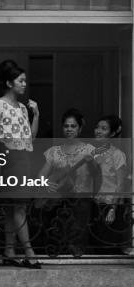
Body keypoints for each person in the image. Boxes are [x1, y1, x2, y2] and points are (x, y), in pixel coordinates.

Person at [0, 60, 41, 268]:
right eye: (20, 81)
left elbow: (31, 139)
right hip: (8, 159)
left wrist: (36, 115)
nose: (24, 84)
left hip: (24, 159)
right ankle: (29, 252)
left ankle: (9, 251)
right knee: (18, 206)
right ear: (9, 83)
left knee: (15, 207)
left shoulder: (22, 107)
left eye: (25, 81)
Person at [37, 108, 101, 257]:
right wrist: (46, 184)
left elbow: (97, 174)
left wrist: (91, 163)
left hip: (80, 200)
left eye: (73, 126)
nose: (69, 129)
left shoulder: (90, 149)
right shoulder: (54, 151)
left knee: (77, 232)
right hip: (59, 201)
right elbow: (41, 175)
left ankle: (76, 249)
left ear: (79, 129)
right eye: (66, 126)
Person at [90, 115, 131, 253]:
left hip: (110, 206)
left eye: (103, 128)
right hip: (95, 204)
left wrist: (113, 208)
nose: (98, 131)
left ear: (112, 133)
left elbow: (120, 184)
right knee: (95, 248)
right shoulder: (92, 153)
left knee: (108, 249)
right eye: (97, 127)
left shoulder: (117, 155)